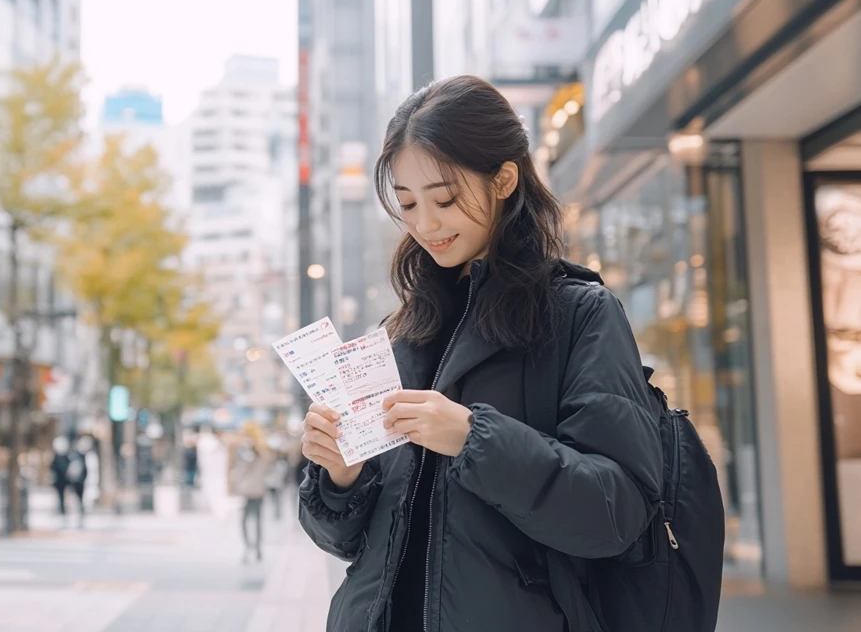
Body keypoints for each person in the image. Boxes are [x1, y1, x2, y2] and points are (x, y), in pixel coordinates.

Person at [297, 76, 664, 631]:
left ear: (504, 179)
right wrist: (341, 476)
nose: (425, 224)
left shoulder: (579, 315)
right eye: (408, 203)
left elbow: (617, 512)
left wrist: (475, 440)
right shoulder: (403, 330)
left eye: (444, 198)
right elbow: (349, 544)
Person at [231, 424, 274, 563]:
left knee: (247, 520)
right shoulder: (261, 453)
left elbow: (239, 470)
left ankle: (250, 547)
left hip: (249, 490)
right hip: (257, 489)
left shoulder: (247, 453)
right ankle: (255, 548)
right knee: (255, 519)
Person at [50, 436, 87, 528]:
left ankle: (78, 517)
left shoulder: (72, 456)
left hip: (72, 482)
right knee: (62, 499)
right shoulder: (57, 458)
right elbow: (53, 470)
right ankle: (64, 517)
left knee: (76, 499)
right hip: (61, 482)